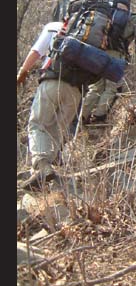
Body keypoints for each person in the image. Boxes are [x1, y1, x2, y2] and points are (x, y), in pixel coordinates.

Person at [17, 20, 80, 190]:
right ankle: (47, 178)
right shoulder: (92, 32)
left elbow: (37, 51)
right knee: (56, 130)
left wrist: (22, 72)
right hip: (76, 90)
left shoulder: (54, 27)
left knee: (38, 125)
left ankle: (42, 166)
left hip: (52, 81)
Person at [81, 6, 136, 123]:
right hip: (114, 55)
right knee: (111, 87)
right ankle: (98, 115)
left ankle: (82, 116)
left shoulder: (122, 17)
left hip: (99, 51)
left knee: (96, 87)